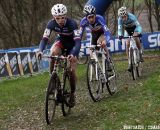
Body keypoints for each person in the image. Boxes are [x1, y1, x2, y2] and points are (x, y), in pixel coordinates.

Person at [38, 4, 81, 107]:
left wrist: (73, 54)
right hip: (61, 42)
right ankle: (53, 79)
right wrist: (40, 51)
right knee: (53, 54)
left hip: (72, 45)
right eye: (57, 18)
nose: (60, 20)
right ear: (54, 17)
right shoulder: (51, 24)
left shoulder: (72, 24)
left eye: (62, 17)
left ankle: (72, 93)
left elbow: (78, 42)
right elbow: (44, 39)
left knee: (71, 70)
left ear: (65, 16)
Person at [79, 4, 112, 71]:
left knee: (100, 42)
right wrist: (77, 44)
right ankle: (96, 69)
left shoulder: (100, 18)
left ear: (95, 15)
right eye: (89, 17)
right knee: (91, 51)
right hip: (94, 34)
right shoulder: (83, 21)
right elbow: (79, 34)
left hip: (102, 33)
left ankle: (108, 61)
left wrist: (105, 41)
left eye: (92, 17)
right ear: (86, 17)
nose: (91, 19)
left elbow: (107, 32)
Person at [118, 6, 144, 72]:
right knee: (127, 44)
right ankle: (129, 62)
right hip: (127, 30)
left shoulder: (132, 17)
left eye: (124, 16)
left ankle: (140, 54)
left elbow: (138, 26)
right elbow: (120, 29)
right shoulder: (120, 20)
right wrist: (120, 36)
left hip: (135, 28)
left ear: (127, 14)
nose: (123, 18)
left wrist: (138, 32)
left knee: (136, 38)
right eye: (122, 17)